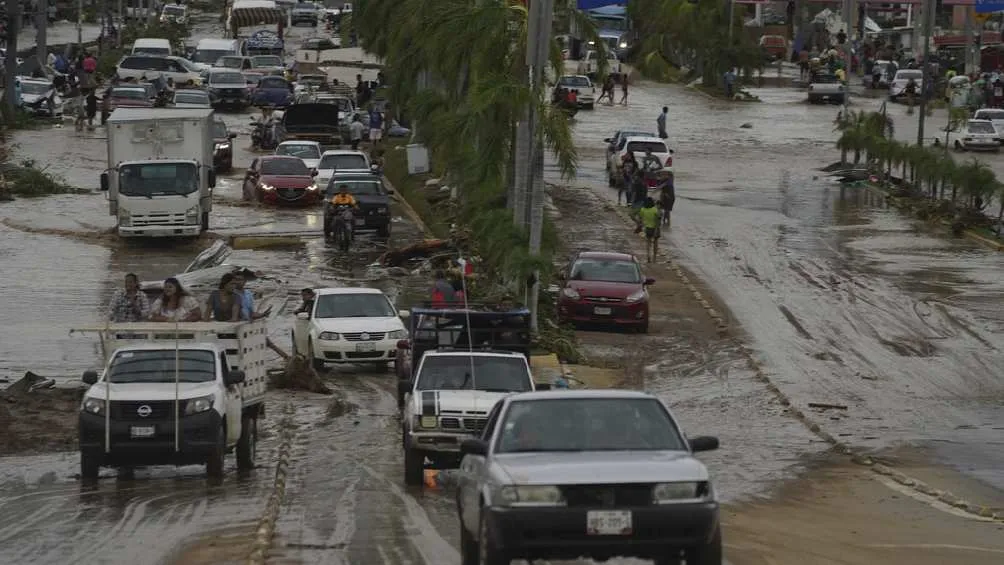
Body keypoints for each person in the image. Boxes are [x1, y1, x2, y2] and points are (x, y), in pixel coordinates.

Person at [637, 197, 661, 263]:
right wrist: (656, 229)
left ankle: (648, 256)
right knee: (655, 243)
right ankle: (654, 258)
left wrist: (640, 226)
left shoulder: (643, 209)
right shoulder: (655, 209)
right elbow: (657, 220)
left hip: (647, 228)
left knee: (648, 242)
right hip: (655, 227)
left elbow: (640, 218)